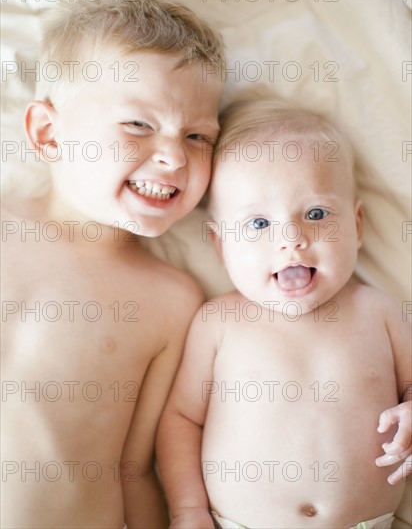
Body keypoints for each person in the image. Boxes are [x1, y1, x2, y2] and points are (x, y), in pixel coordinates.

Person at [1, 0, 223, 528]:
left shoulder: (170, 300)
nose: (173, 157)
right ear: (50, 133)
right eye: (138, 124)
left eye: (198, 136)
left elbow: (134, 467)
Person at [156, 99, 411, 529]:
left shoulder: (378, 311)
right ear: (220, 246)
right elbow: (181, 419)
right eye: (258, 224)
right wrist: (188, 511)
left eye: (315, 213)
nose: (291, 239)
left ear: (357, 225)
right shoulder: (219, 322)